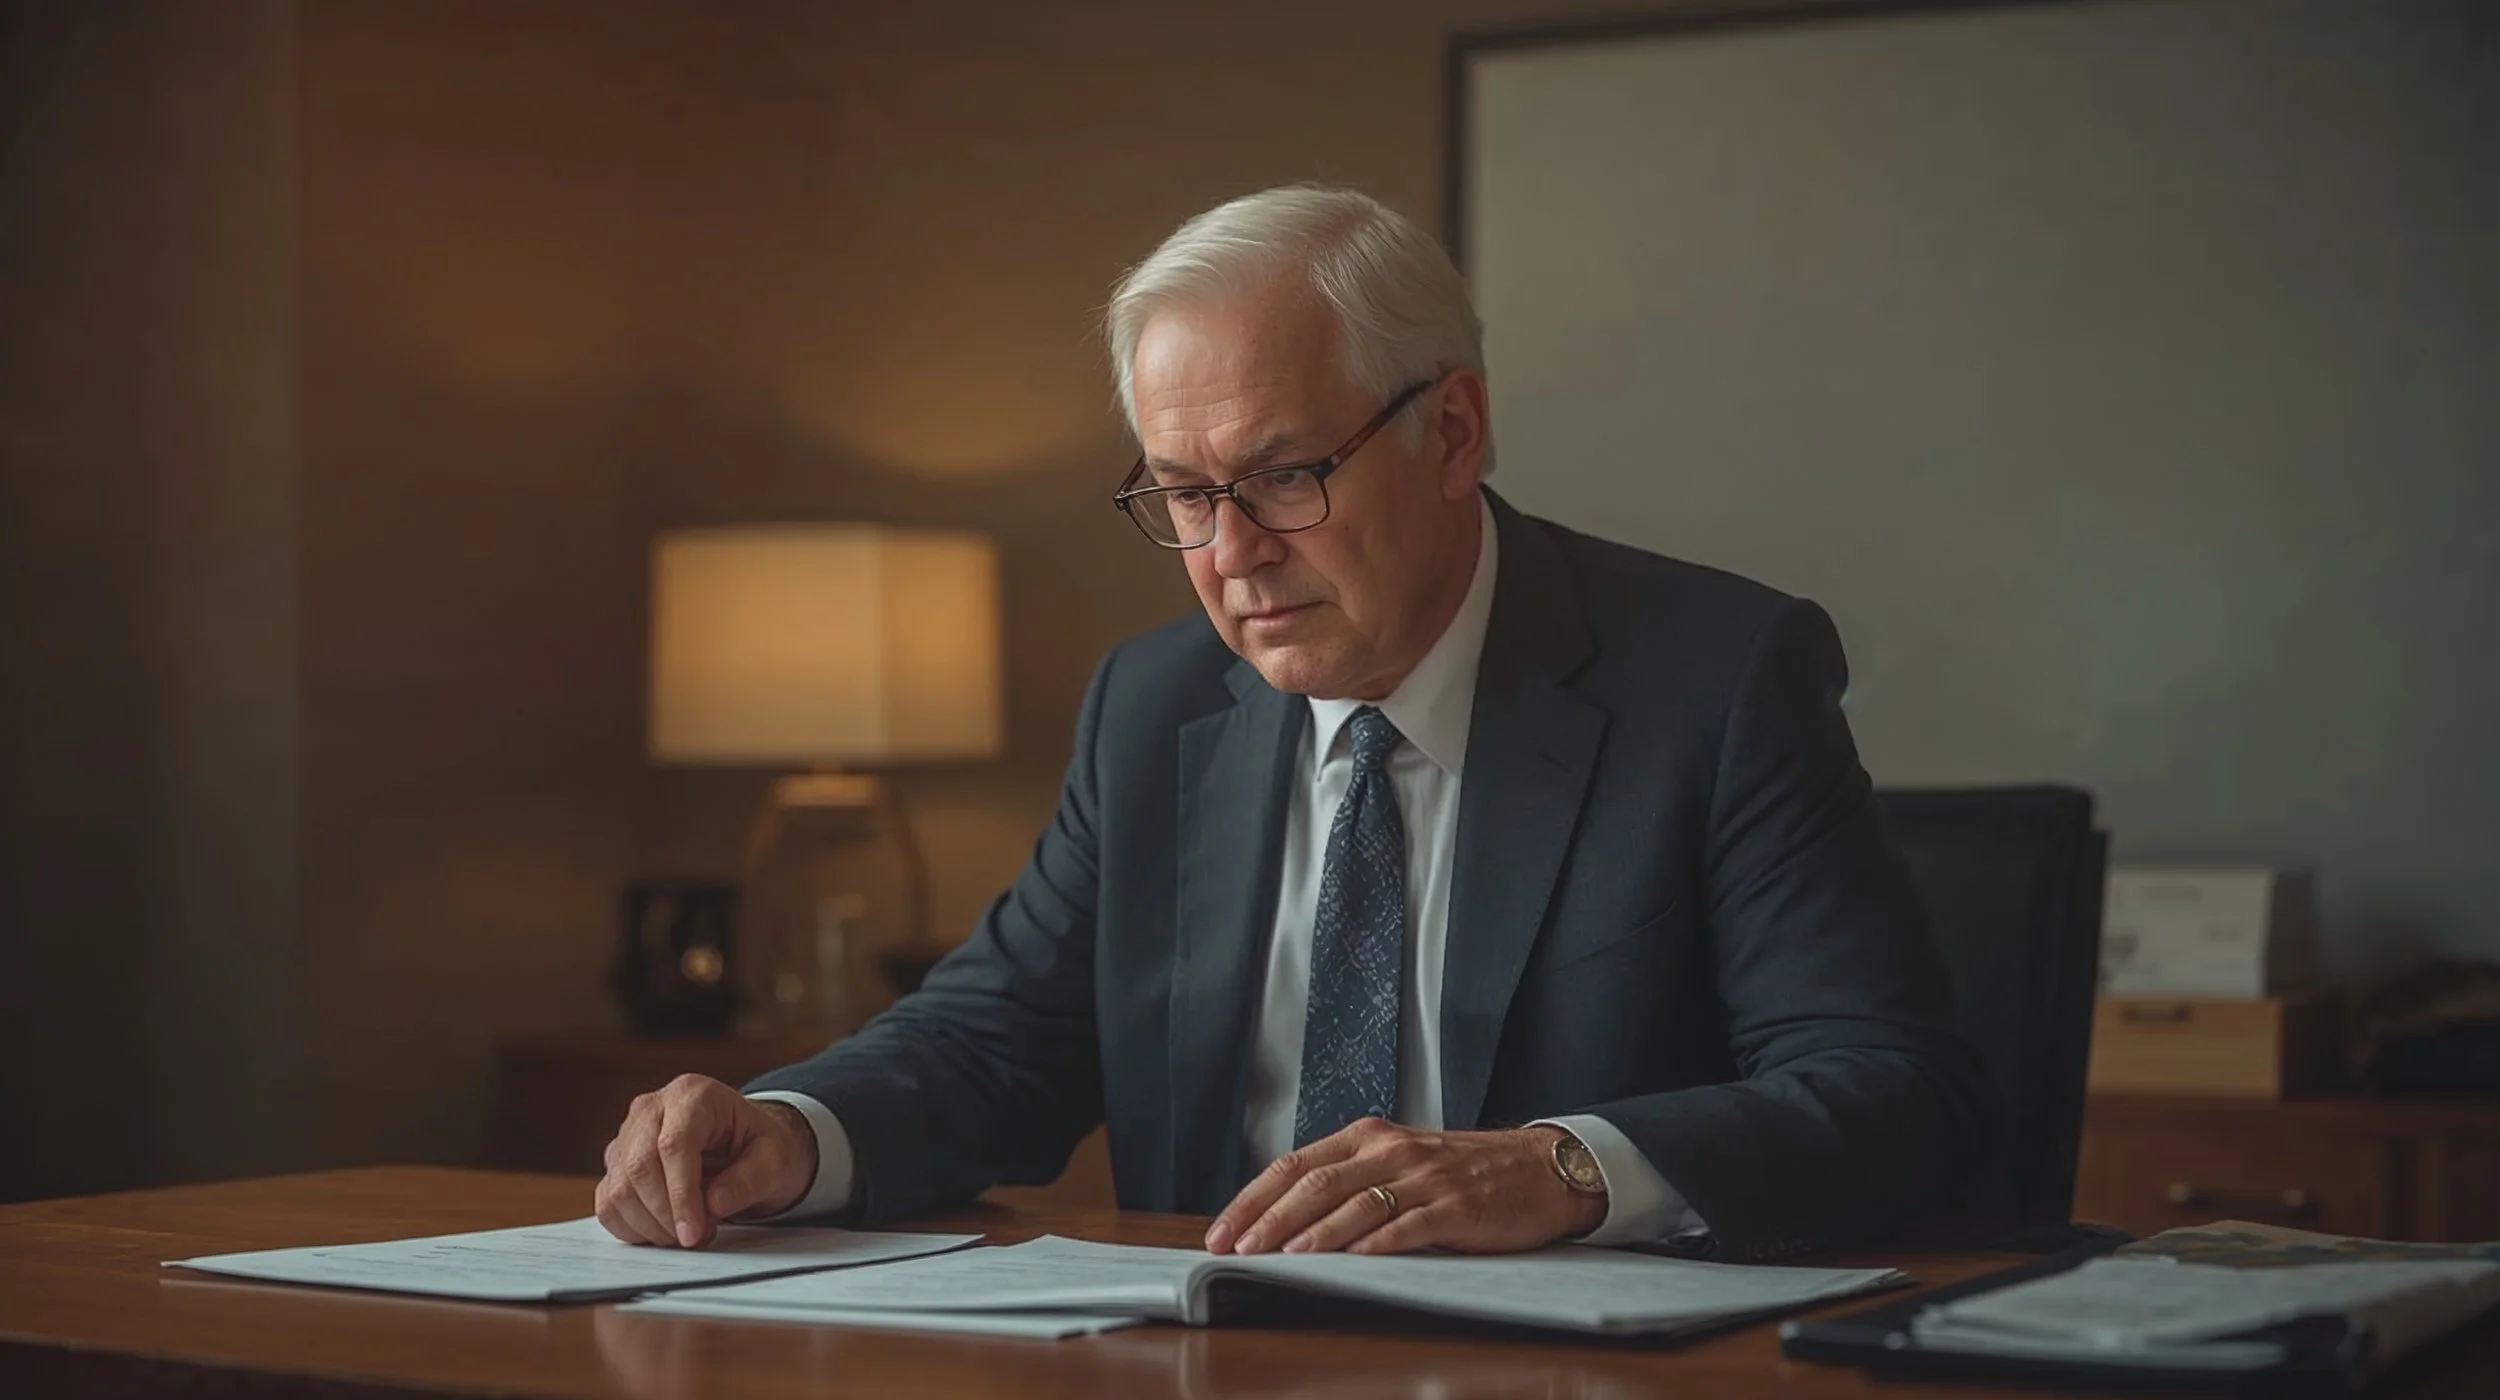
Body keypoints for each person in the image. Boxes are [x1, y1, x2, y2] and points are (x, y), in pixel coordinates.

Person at [595, 185, 1994, 1263]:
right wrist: (784, 1129)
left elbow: (1892, 1093)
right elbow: (995, 1041)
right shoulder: (1154, 709)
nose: (1230, 554)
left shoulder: (1715, 677)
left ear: (1452, 433)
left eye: (1281, 477)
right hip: (1217, 1356)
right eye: (1181, 496)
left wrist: (1560, 1170)